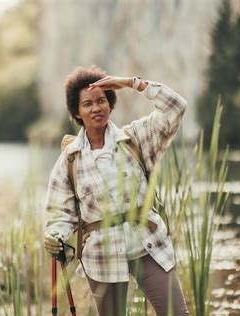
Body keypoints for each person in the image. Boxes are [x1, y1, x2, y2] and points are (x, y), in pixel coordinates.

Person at [43, 65, 189, 315]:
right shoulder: (69, 161)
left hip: (148, 246)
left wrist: (132, 83)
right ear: (77, 112)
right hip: (102, 257)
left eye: (101, 100)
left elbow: (176, 107)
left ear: (110, 104)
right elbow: (60, 214)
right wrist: (54, 235)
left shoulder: (136, 139)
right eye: (87, 104)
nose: (96, 108)